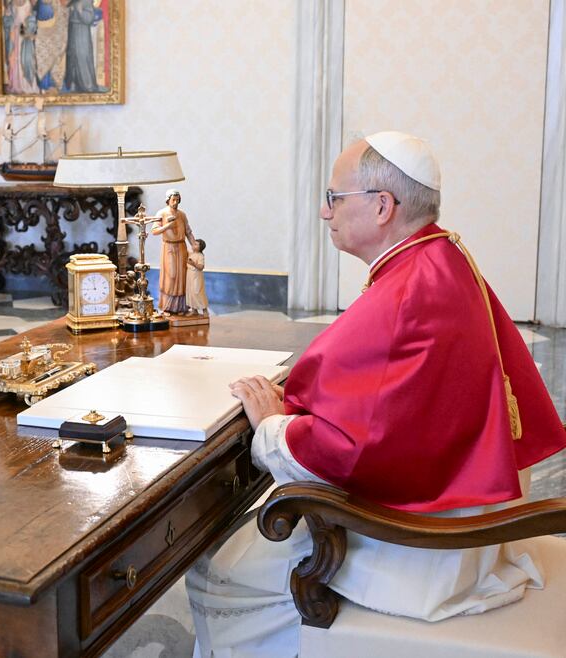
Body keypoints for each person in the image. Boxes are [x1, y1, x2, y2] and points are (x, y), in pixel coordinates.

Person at [186, 131, 566, 657]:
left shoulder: (410, 293)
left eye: (335, 198)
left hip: (424, 549)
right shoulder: (439, 254)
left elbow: (354, 451)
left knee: (218, 569)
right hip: (459, 501)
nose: (326, 213)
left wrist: (274, 428)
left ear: (383, 205)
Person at [152, 189, 198, 315]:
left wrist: (194, 244)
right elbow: (154, 231)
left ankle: (181, 307)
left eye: (178, 200)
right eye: (173, 199)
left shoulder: (182, 214)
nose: (176, 202)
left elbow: (188, 231)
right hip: (169, 248)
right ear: (168, 200)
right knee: (171, 276)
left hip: (181, 247)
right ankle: (167, 306)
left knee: (182, 275)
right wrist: (167, 226)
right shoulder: (162, 213)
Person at [185, 239, 208, 315]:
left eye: (196, 244)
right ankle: (194, 310)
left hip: (196, 276)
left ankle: (204, 309)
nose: (193, 245)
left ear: (200, 247)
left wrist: (193, 264)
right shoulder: (191, 254)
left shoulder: (200, 256)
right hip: (190, 275)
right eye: (193, 244)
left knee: (197, 292)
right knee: (190, 292)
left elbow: (201, 267)